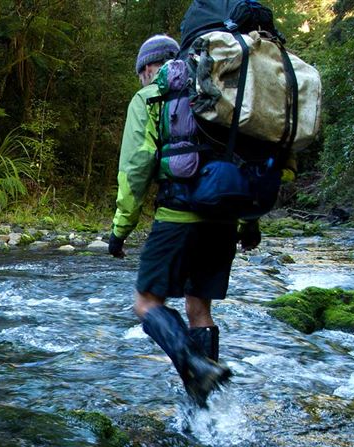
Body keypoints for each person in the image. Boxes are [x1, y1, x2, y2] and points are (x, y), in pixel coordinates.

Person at [107, 34, 262, 407]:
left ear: (147, 68)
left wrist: (120, 229)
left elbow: (136, 167)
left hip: (177, 217)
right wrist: (248, 222)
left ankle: (195, 364)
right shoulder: (219, 95)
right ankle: (201, 405)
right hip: (223, 221)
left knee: (145, 302)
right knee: (199, 309)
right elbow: (248, 159)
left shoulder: (149, 98)